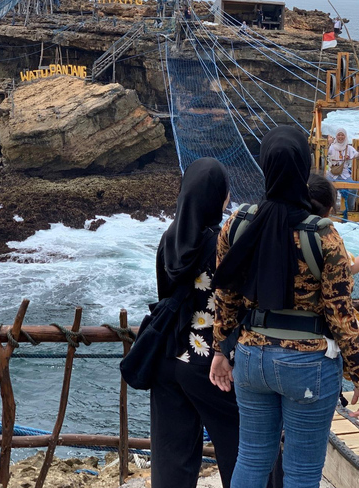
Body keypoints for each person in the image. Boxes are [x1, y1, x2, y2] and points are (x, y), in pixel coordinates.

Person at [210, 126, 359, 488]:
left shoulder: (237, 224)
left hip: (252, 356)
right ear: (304, 166)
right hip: (309, 365)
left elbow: (226, 299)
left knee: (251, 457)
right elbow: (340, 312)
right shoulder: (322, 234)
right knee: (301, 471)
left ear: (264, 166)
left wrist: (222, 349)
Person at [152, 158, 238, 488]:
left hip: (169, 357)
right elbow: (231, 304)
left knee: (171, 461)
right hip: (210, 364)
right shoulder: (221, 244)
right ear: (216, 197)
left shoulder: (169, 240)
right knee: (243, 447)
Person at [308, 173, 359, 440]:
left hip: (303, 323)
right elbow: (348, 267)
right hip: (336, 320)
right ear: (330, 209)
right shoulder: (329, 237)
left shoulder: (289, 231)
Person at [326, 127, 359, 220]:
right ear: (336, 136)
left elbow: (356, 155)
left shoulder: (348, 147)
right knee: (327, 188)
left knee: (353, 189)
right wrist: (328, 143)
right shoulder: (332, 147)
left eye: (342, 135)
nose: (340, 137)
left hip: (344, 174)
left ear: (345, 136)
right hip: (332, 173)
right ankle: (331, 209)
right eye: (339, 135)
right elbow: (325, 153)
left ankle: (349, 208)